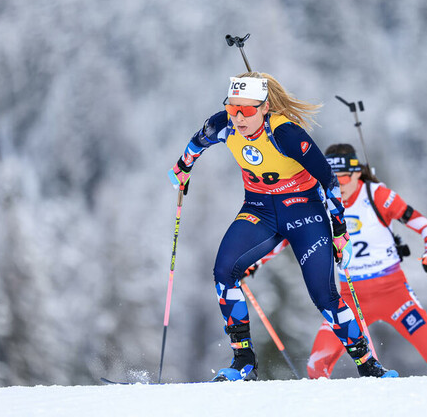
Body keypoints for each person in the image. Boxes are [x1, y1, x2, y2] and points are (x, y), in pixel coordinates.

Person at [168, 73, 397, 381]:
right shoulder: (223, 124)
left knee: (324, 296)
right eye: (233, 107)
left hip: (304, 214)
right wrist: (183, 168)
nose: (238, 117)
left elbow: (328, 180)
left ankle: (368, 364)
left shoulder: (285, 133)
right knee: (224, 273)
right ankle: (244, 362)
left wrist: (340, 232)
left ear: (264, 108)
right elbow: (197, 143)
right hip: (259, 210)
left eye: (247, 110)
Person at [255, 144, 427, 378]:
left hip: (395, 294)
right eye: (331, 179)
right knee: (317, 366)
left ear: (357, 172)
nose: (338, 185)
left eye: (344, 177)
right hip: (349, 298)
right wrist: (253, 263)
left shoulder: (377, 195)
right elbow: (286, 238)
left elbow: (424, 225)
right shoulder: (318, 203)